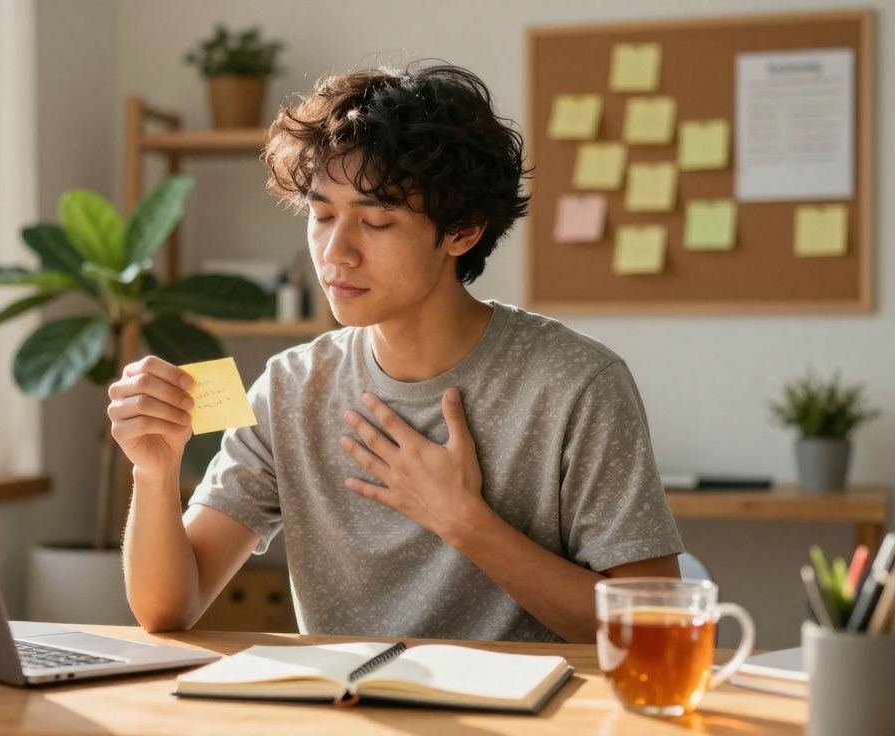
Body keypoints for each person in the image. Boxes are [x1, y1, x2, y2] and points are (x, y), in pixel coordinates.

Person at [108, 63, 682, 644]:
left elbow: (652, 629)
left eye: (377, 222)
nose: (336, 253)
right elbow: (168, 610)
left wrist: (464, 521)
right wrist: (153, 470)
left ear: (462, 231)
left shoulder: (576, 383)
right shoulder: (290, 387)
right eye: (322, 215)